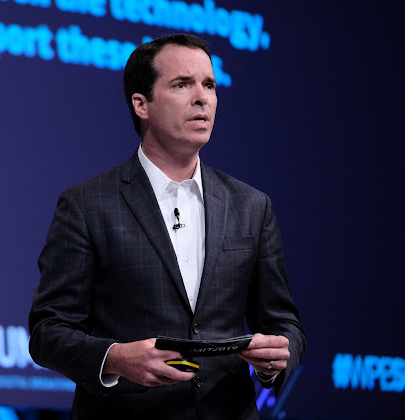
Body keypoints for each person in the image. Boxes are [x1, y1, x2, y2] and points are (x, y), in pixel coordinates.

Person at [29, 34, 306, 419]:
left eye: (209, 85)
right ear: (141, 104)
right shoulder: (87, 205)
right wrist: (115, 357)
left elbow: (284, 324)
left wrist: (275, 357)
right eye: (182, 84)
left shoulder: (252, 206)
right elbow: (48, 331)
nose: (202, 98)